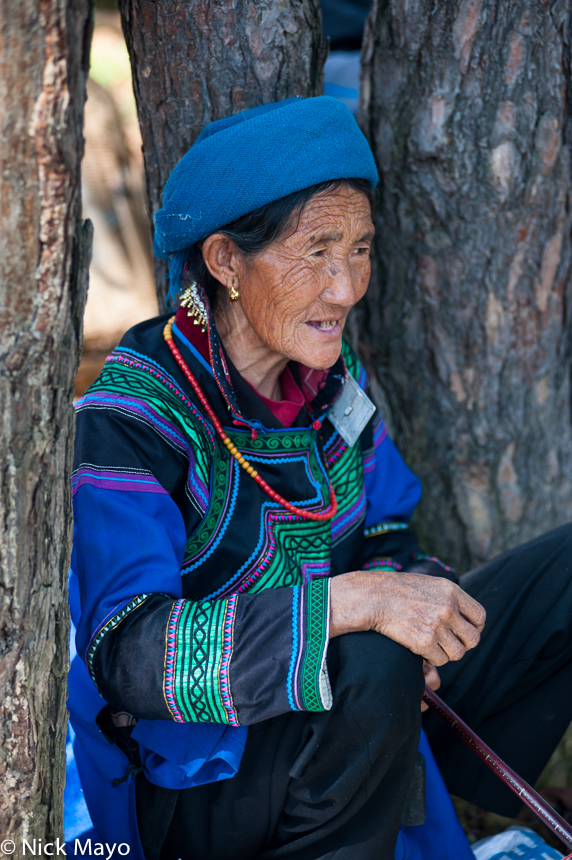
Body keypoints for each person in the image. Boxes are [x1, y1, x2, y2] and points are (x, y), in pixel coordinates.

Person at [69, 96, 572, 860]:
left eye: (361, 250)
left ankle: (444, 785)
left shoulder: (332, 382)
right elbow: (129, 655)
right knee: (373, 656)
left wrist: (417, 606)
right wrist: (359, 606)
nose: (346, 288)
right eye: (317, 251)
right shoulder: (137, 416)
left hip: (368, 707)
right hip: (210, 780)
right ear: (226, 260)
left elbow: (385, 530)